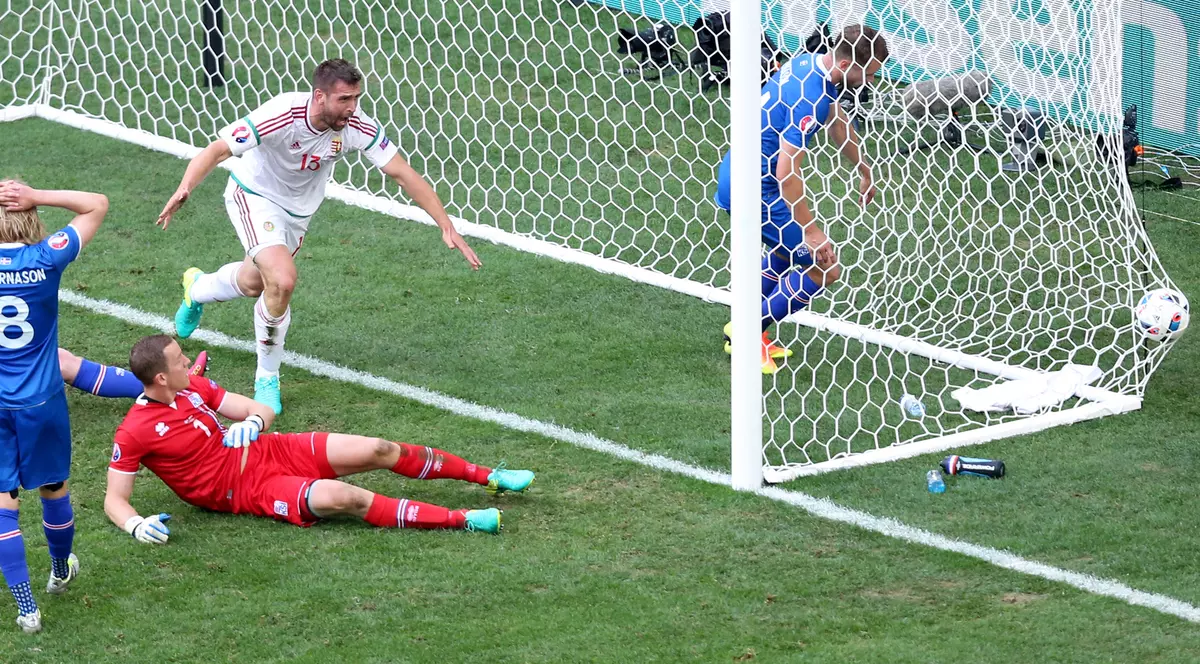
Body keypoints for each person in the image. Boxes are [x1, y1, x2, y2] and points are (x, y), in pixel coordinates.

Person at [155, 58, 482, 414]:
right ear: (319, 96)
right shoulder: (282, 113)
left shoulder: (357, 125)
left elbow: (402, 173)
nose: (352, 107)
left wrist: (445, 223)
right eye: (344, 99)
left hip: (298, 213)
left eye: (356, 97)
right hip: (254, 196)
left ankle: (197, 289)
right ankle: (267, 376)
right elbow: (218, 149)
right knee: (281, 281)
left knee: (253, 283)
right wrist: (185, 187)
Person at [104, 335, 532, 543]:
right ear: (161, 377)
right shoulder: (135, 430)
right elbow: (114, 500)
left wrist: (253, 424)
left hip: (270, 450)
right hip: (246, 489)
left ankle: (489, 476)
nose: (190, 365)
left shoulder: (193, 387)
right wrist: (135, 524)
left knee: (380, 449)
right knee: (345, 498)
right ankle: (463, 518)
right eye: (181, 361)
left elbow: (262, 410)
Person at [715, 25, 889, 373]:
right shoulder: (810, 97)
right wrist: (811, 230)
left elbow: (838, 122)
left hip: (738, 173)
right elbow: (786, 172)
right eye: (869, 74)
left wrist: (864, 168)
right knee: (825, 268)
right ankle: (746, 333)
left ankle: (748, 326)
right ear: (845, 66)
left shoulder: (808, 63)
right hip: (757, 192)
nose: (870, 82)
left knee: (783, 251)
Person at [0, 180, 108, 633]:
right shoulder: (48, 256)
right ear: (29, 216)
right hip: (42, 400)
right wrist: (37, 194)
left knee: (3, 504)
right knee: (53, 489)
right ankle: (60, 572)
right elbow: (97, 203)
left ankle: (26, 609)